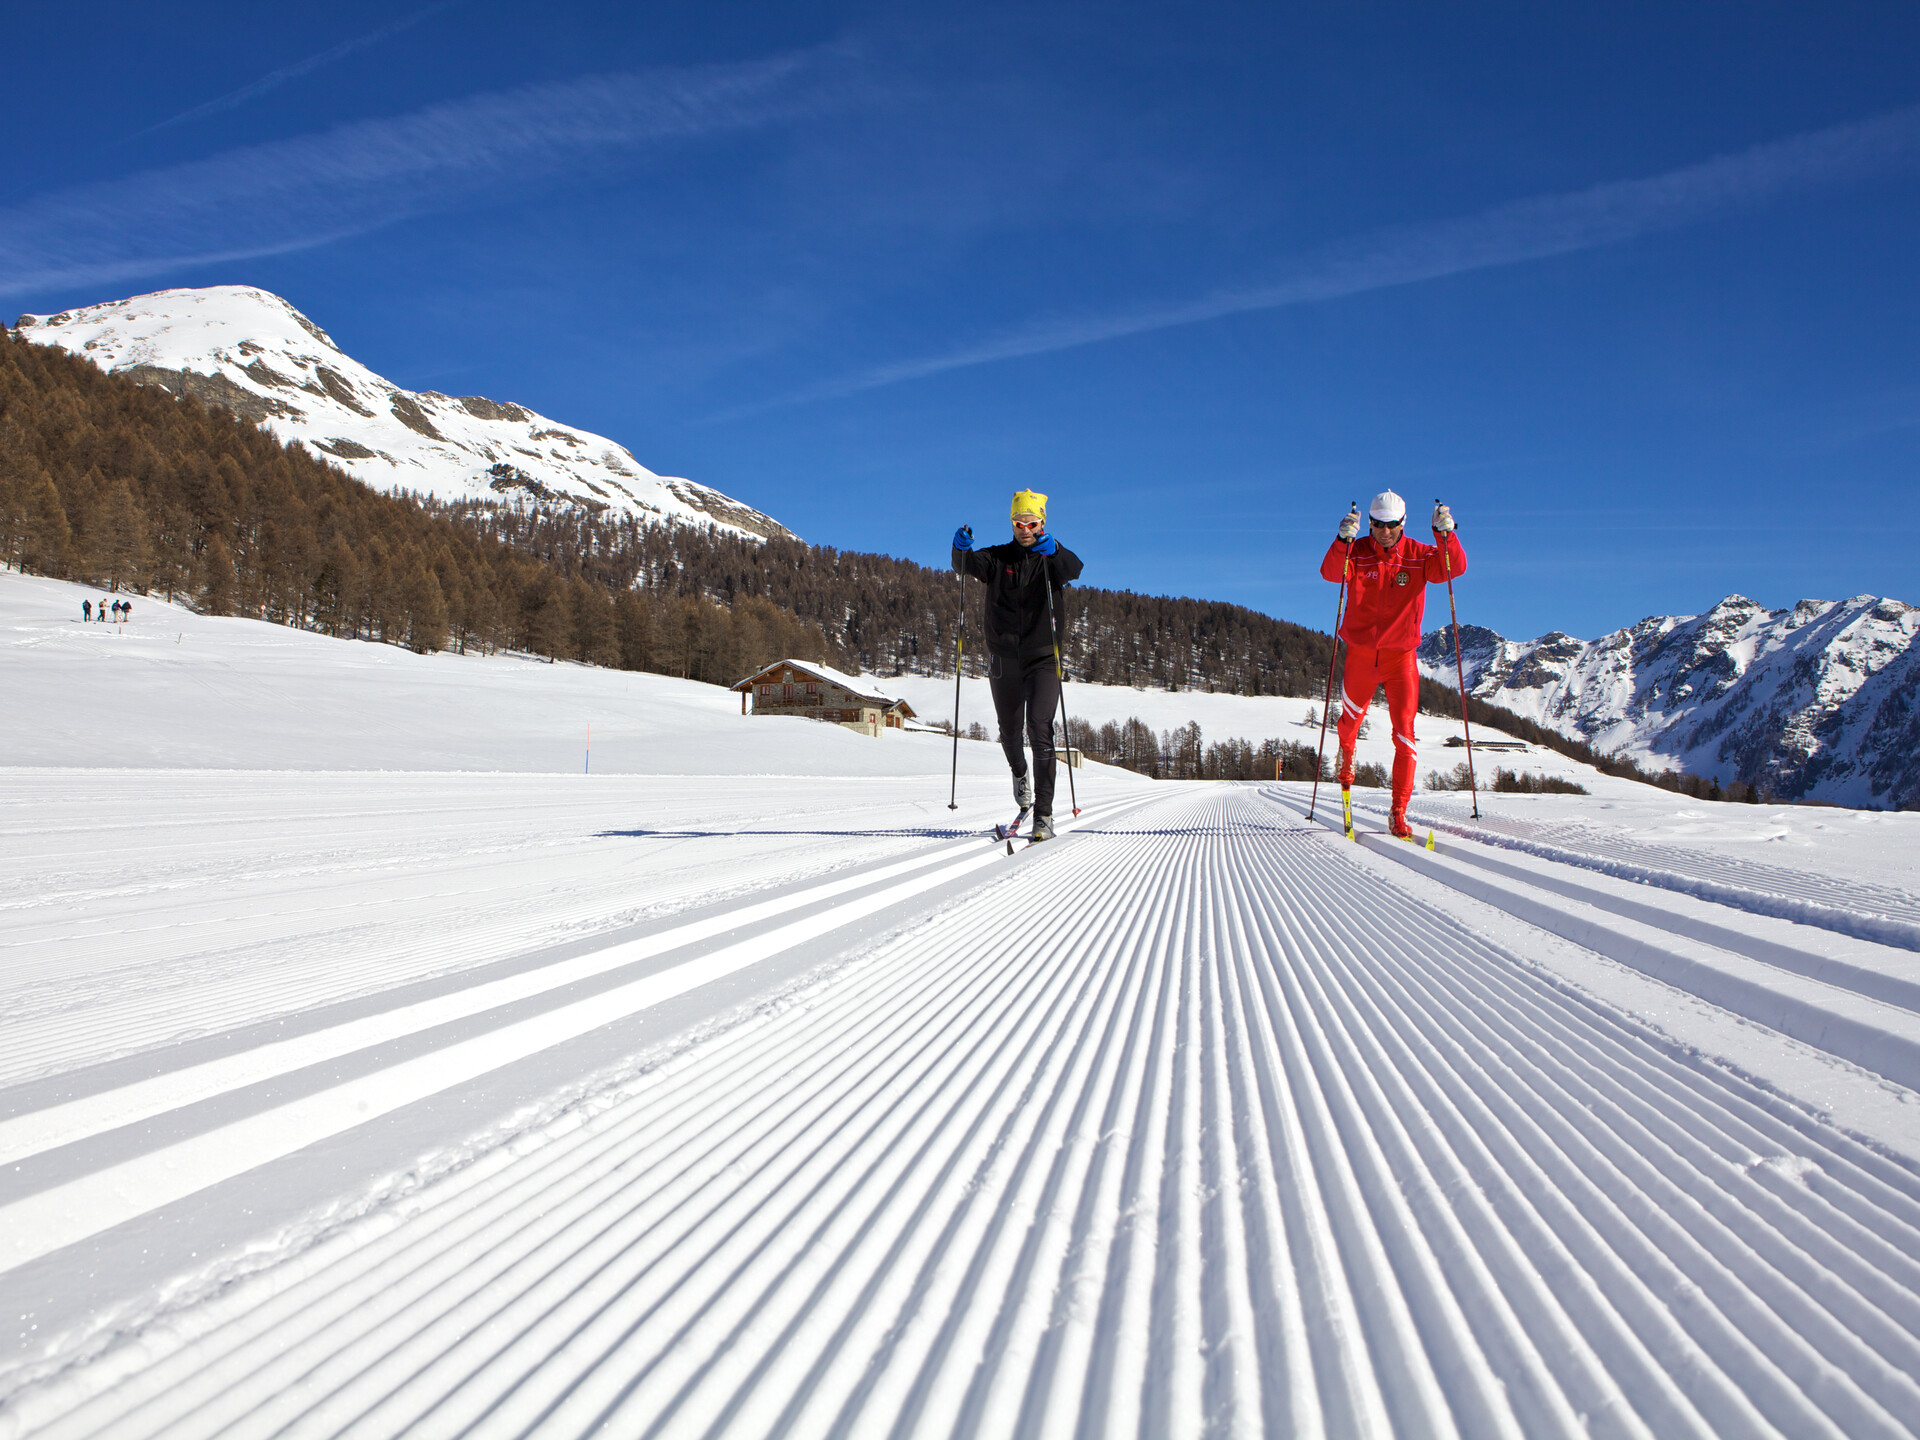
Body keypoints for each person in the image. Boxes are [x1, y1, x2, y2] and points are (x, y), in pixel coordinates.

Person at [1320, 489, 1466, 838]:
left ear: (1403, 523)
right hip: (1361, 654)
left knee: (1405, 733)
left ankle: (1399, 811)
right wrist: (1342, 541)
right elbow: (1331, 573)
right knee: (1349, 724)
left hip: (1401, 658)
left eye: (1391, 525)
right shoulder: (1357, 551)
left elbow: (1453, 568)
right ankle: (1347, 757)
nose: (1384, 532)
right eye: (1377, 525)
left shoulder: (1418, 555)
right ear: (1369, 523)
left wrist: (1445, 535)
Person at [953, 489, 1083, 841]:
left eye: (1032, 523)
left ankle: (1044, 814)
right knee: (1010, 732)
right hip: (1003, 657)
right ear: (1011, 524)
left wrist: (1056, 550)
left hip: (1043, 658)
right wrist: (960, 548)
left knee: (1040, 728)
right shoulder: (998, 558)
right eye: (1019, 523)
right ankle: (1019, 773)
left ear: (1042, 524)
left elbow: (1074, 568)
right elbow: (965, 565)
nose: (1025, 529)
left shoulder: (1052, 558)